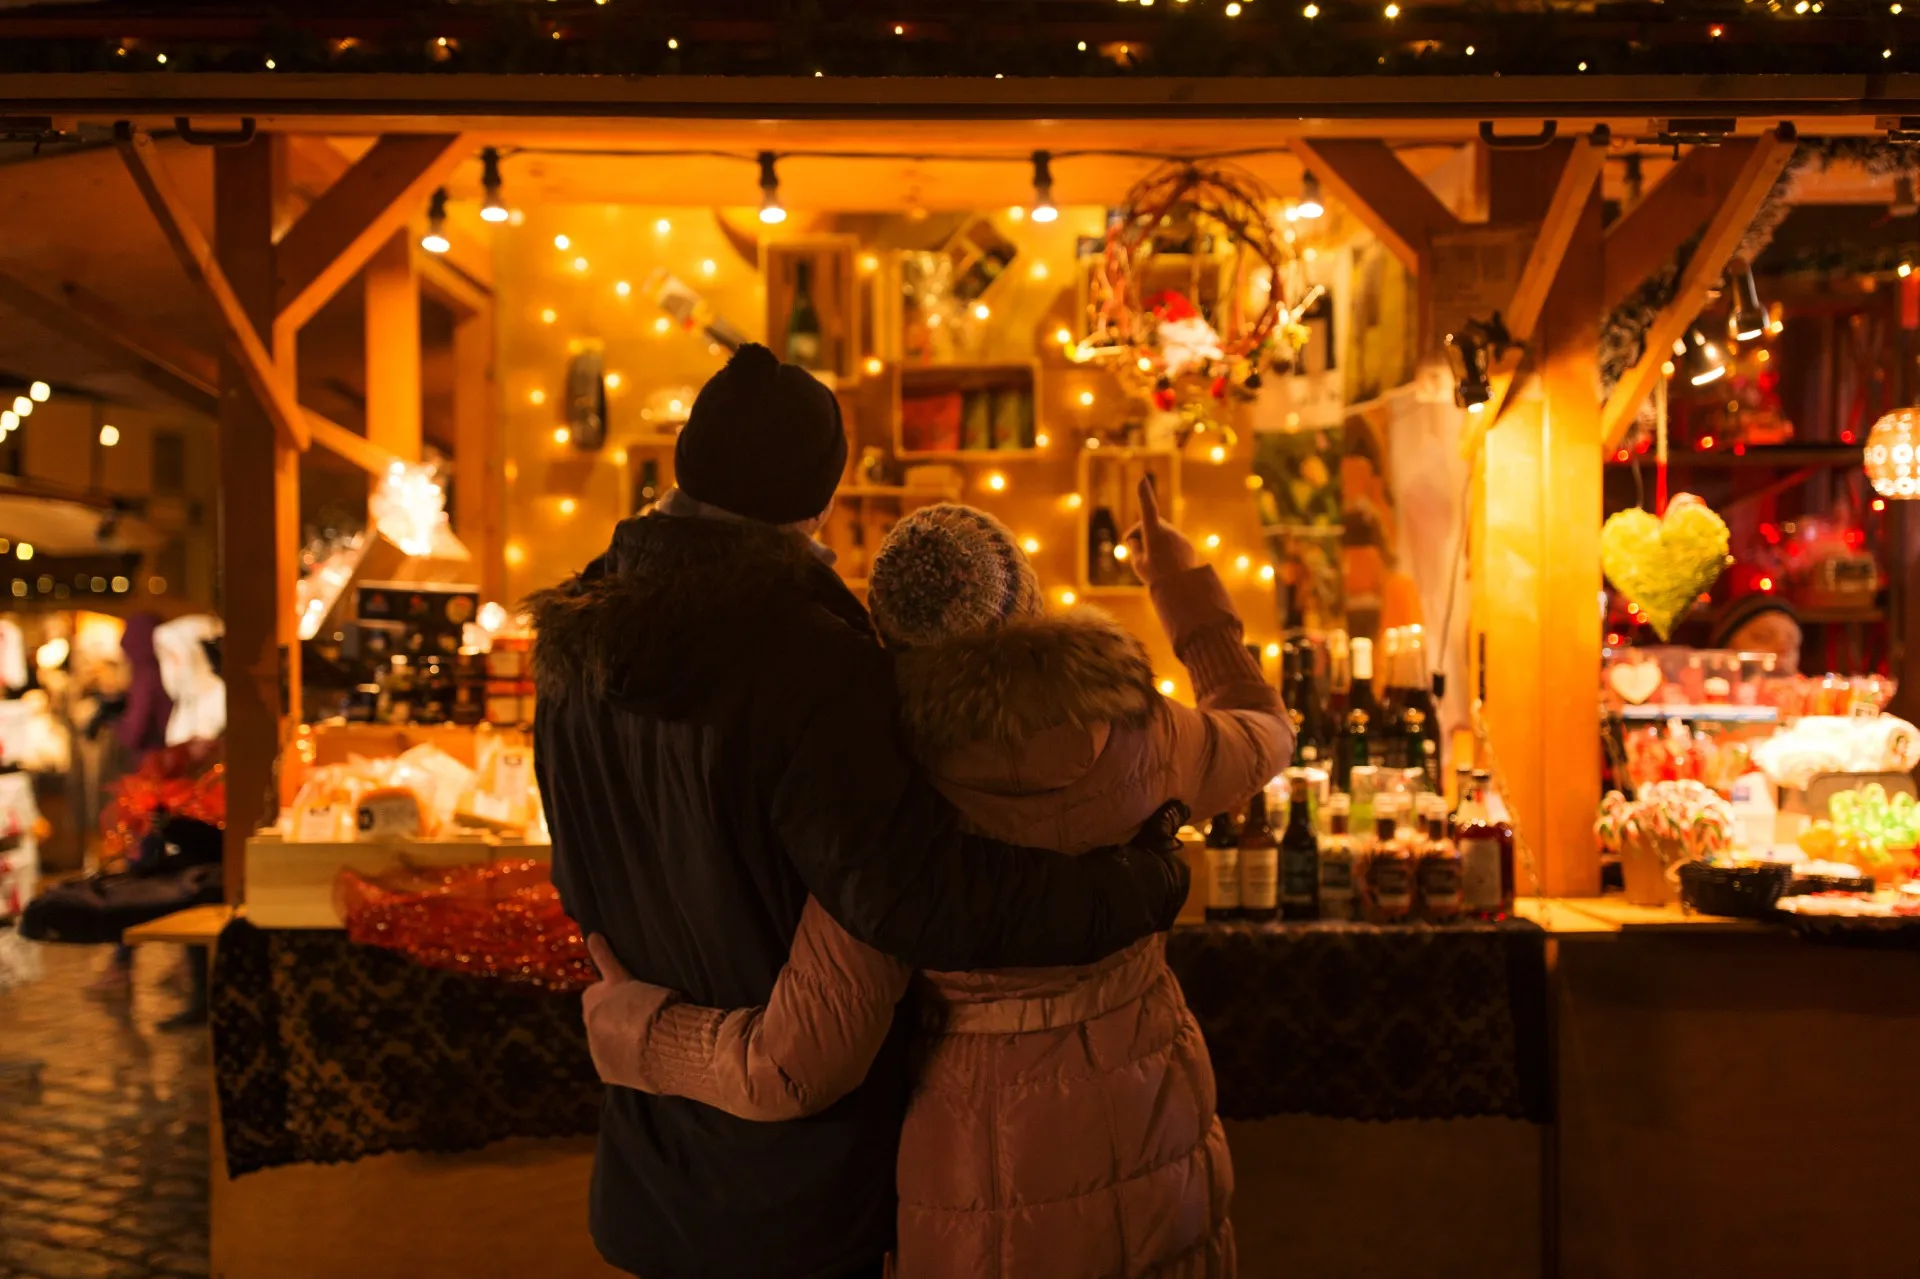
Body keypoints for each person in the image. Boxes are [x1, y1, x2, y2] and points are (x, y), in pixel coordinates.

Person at [529, 343, 1191, 1279]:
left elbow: (579, 885)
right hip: (802, 1180)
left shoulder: (570, 646)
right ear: (820, 499)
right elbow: (916, 896)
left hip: (655, 1164)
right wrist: (1139, 883)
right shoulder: (813, 661)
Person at [582, 485, 1292, 1277]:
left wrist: (638, 1033)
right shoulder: (1142, 729)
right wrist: (1184, 587)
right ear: (1026, 600)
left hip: (982, 1183)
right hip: (1161, 1138)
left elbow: (796, 1064)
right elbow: (1264, 733)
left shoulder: (885, 804)